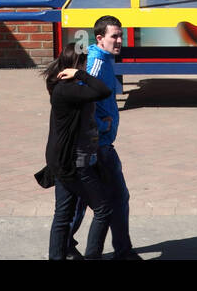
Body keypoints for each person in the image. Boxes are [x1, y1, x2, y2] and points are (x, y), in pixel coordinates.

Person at [72, 15, 142, 259]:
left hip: (98, 144)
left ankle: (65, 245)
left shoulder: (105, 59)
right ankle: (123, 251)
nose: (119, 40)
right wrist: (102, 124)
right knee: (118, 197)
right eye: (115, 36)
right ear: (100, 38)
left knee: (83, 199)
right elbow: (80, 100)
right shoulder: (96, 64)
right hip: (98, 145)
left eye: (121, 35)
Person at [43, 42, 112, 261]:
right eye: (84, 62)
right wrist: (81, 73)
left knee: (63, 215)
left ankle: (58, 256)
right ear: (77, 63)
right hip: (74, 162)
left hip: (63, 159)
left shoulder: (66, 87)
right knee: (103, 209)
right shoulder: (69, 88)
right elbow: (103, 90)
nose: (87, 66)